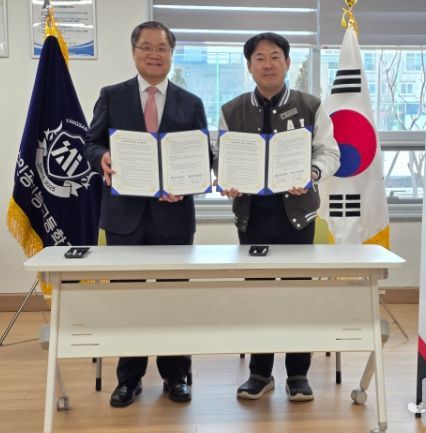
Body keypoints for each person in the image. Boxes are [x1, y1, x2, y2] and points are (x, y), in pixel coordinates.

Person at [83, 21, 209, 408]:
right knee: (128, 299)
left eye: (162, 48)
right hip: (124, 217)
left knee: (174, 299)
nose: (154, 54)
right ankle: (129, 378)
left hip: (175, 218)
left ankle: (176, 375)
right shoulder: (112, 95)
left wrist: (187, 184)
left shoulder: (191, 102)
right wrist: (102, 157)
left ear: (172, 54)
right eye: (146, 47)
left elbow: (203, 157)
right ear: (134, 52)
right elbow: (91, 143)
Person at [213, 32, 340, 402]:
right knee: (259, 295)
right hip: (252, 216)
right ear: (249, 66)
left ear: (287, 63)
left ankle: (298, 374)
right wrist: (225, 178)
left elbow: (329, 153)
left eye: (274, 57)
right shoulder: (232, 109)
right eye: (259, 58)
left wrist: (312, 173)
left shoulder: (311, 106)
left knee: (298, 294)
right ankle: (260, 373)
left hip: (297, 216)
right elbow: (221, 156)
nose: (267, 64)